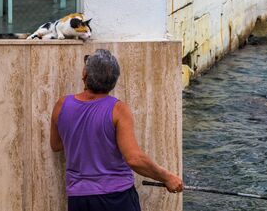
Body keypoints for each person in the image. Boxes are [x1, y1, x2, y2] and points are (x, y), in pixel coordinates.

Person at [50, 49, 183, 211]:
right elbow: (134, 158)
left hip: (79, 199)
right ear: (113, 82)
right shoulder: (118, 110)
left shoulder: (62, 104)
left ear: (85, 75)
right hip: (117, 199)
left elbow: (56, 145)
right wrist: (167, 177)